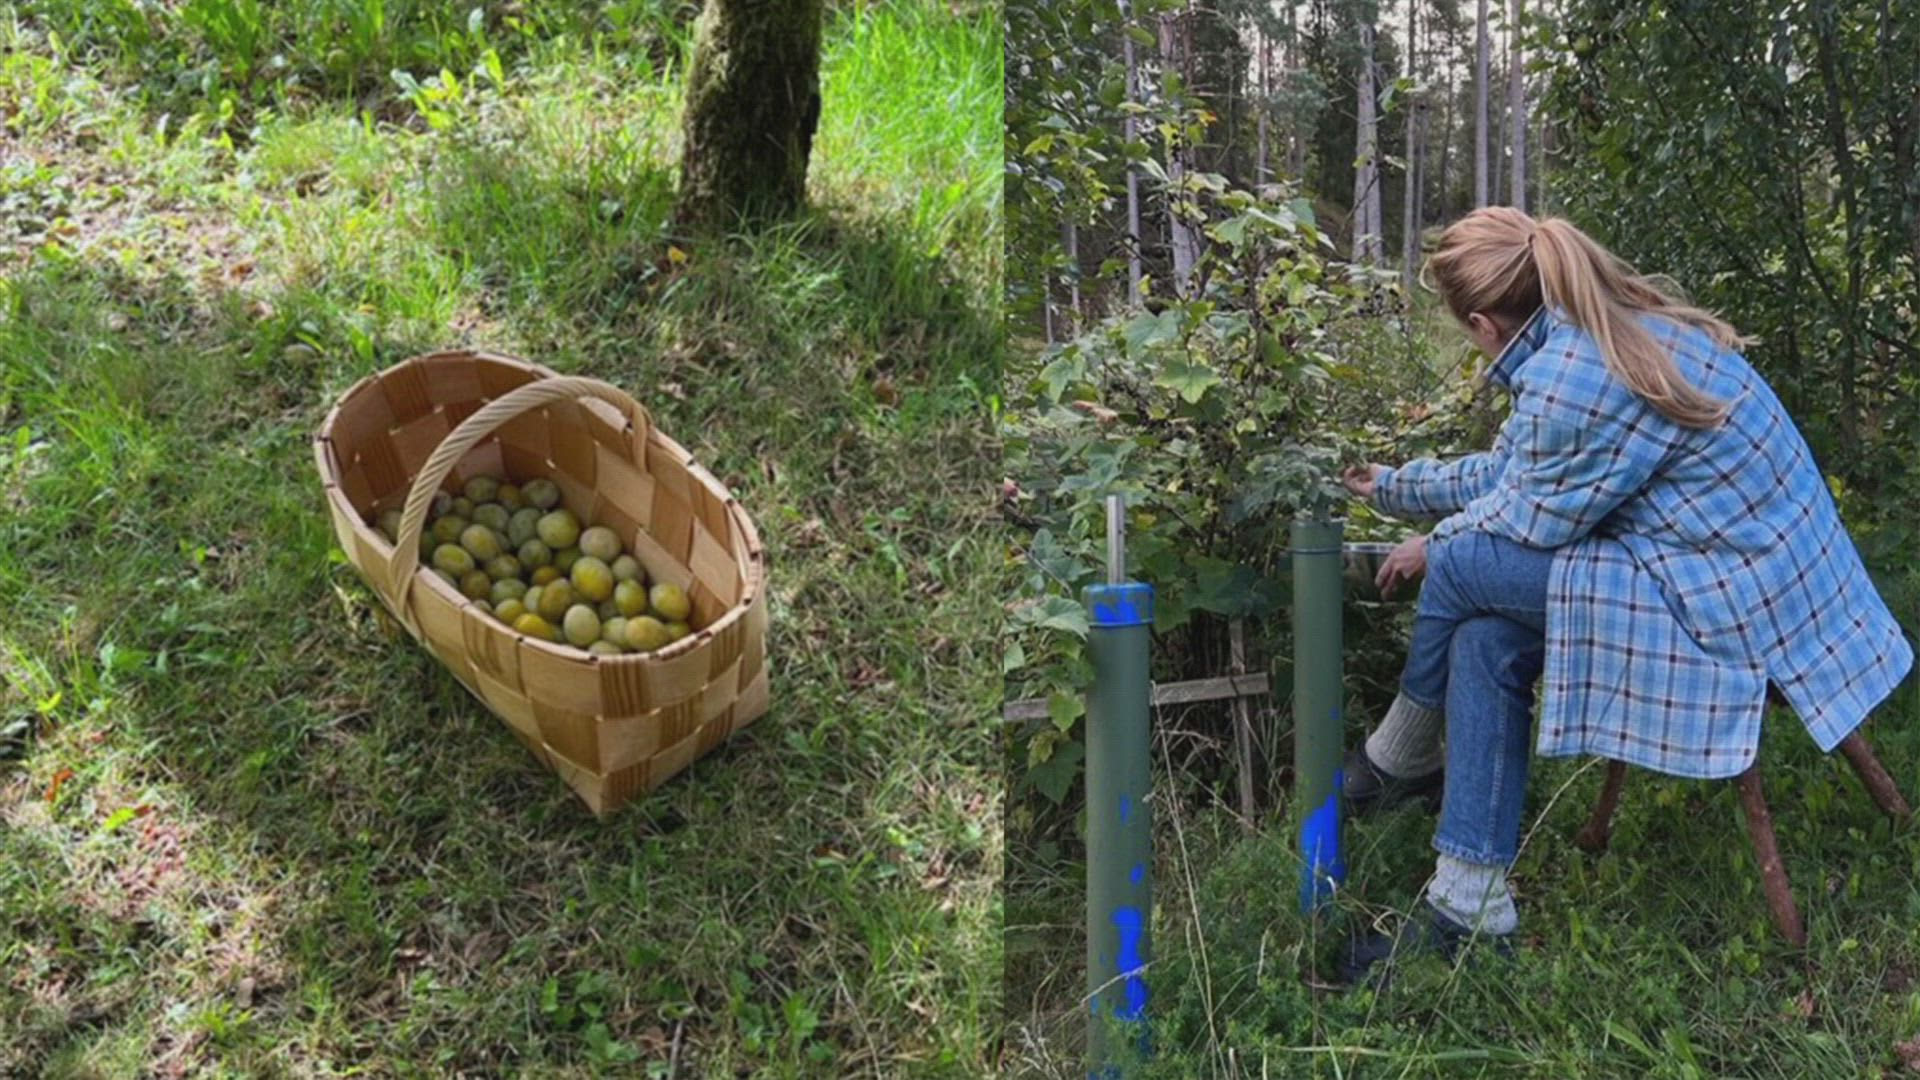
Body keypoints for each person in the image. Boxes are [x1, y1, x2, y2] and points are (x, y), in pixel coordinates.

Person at [1336, 206, 1913, 978]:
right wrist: (1398, 488)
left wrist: (1429, 544)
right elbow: (1516, 476)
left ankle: (1401, 752)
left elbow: (1519, 526)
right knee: (1484, 638)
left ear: (1482, 322)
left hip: (1736, 609)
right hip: (1735, 573)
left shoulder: (1573, 377)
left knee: (1462, 565)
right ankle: (1468, 905)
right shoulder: (1595, 332)